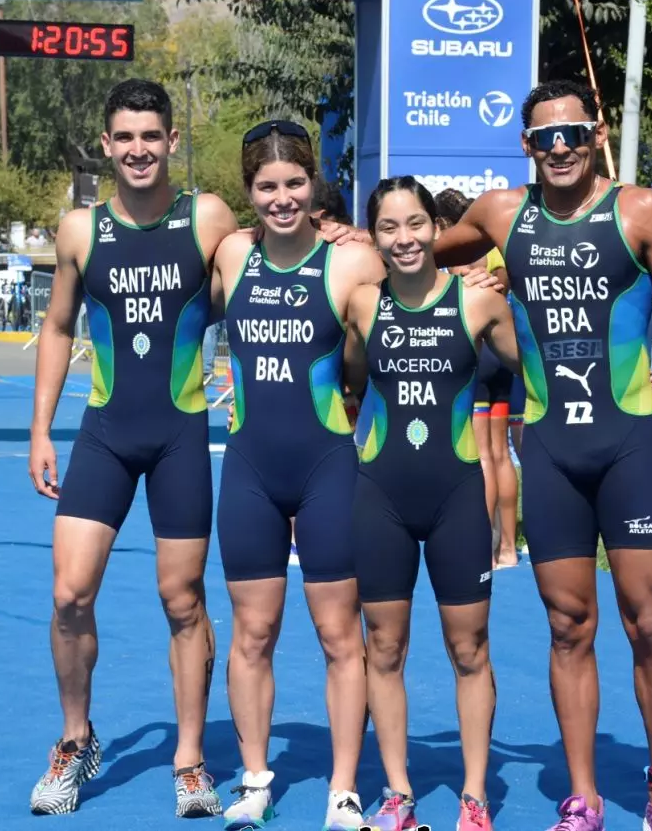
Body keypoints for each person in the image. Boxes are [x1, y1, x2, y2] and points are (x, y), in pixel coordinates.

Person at [330, 80, 652, 830]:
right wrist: (347, 240)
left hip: (626, 442)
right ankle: (583, 797)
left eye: (574, 133)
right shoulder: (500, 214)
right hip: (549, 447)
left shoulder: (642, 210)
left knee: (647, 620)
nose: (561, 147)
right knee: (569, 625)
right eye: (546, 137)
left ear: (598, 134)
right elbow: (411, 254)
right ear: (526, 145)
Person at [26, 78, 244, 819]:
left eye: (152, 135)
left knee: (182, 600)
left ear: (172, 141)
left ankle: (190, 758)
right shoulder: (79, 230)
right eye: (125, 137)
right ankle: (75, 739)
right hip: (106, 433)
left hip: (181, 433)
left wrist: (337, 235)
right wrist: (40, 429)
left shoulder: (207, 218)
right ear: (107, 144)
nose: (139, 149)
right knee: (69, 593)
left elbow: (270, 269)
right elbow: (58, 327)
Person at [210, 120, 387, 831]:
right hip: (250, 469)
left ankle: (343, 790)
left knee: (340, 634)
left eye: (293, 183)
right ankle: (255, 779)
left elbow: (421, 293)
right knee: (252, 632)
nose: (281, 198)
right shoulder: (230, 254)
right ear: (248, 191)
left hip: (327, 467)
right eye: (266, 186)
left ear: (314, 184)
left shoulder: (353, 261)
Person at [344, 177, 518, 831]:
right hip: (381, 497)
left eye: (416, 223)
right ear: (374, 236)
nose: (405, 238)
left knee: (469, 649)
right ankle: (398, 792)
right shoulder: (362, 303)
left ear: (436, 229)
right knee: (384, 648)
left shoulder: (478, 301)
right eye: (389, 227)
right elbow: (346, 379)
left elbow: (543, 368)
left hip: (457, 498)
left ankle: (474, 795)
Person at [437, 189, 521, 569]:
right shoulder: (496, 249)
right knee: (502, 453)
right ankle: (508, 548)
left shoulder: (460, 253)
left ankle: (482, 548)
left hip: (480, 350)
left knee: (482, 454)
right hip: (503, 350)